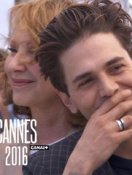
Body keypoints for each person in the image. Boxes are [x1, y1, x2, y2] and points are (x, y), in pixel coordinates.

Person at [35, 0, 132, 174]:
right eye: (86, 81)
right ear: (67, 99)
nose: (108, 88)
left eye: (116, 68)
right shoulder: (43, 167)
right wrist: (79, 168)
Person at [4, 0, 87, 174]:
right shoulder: (11, 141)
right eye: (12, 50)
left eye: (34, 52)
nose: (14, 65)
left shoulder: (99, 140)